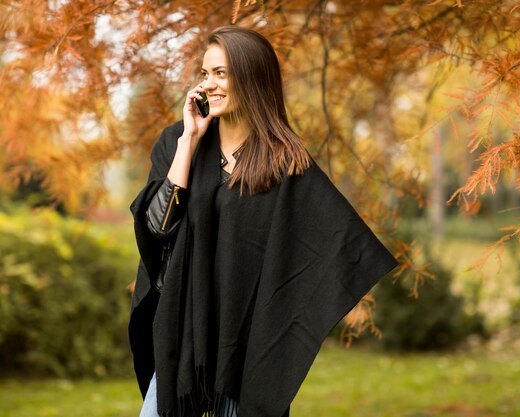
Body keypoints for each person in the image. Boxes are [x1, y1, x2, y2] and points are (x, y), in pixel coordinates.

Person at [129, 25, 398, 417]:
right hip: (183, 337)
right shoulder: (177, 142)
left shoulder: (284, 160)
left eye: (221, 73)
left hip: (244, 346)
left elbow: (332, 243)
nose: (209, 84)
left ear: (252, 77)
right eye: (205, 74)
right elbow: (157, 228)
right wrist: (189, 141)